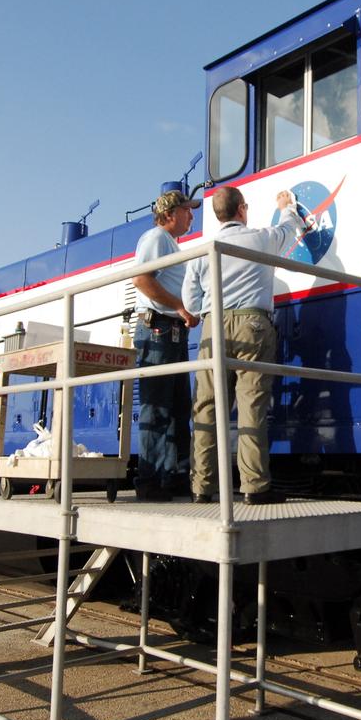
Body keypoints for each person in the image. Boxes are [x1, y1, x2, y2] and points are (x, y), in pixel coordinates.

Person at [184, 186, 311, 505]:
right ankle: (254, 487)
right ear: (242, 209)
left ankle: (202, 487)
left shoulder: (204, 250)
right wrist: (285, 206)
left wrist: (208, 310)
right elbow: (288, 229)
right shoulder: (260, 238)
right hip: (253, 324)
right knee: (251, 406)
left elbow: (190, 300)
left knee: (207, 408)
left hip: (213, 328)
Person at [130, 185, 200, 502]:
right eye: (187, 210)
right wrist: (180, 307)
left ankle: (171, 477)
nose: (191, 215)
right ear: (169, 214)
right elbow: (142, 279)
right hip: (159, 329)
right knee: (158, 407)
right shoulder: (156, 239)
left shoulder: (169, 243)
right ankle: (150, 481)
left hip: (171, 332)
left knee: (177, 407)